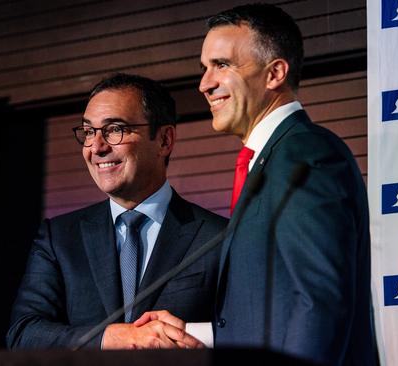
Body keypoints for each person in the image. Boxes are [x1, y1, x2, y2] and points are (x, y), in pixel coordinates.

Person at [138, 4, 375, 365]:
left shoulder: (306, 155)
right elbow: (277, 309)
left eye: (222, 65)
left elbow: (318, 302)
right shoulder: (272, 158)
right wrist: (194, 332)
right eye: (204, 68)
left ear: (275, 73)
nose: (205, 84)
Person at [6, 73, 227, 350]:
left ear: (164, 140)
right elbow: (24, 334)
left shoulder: (218, 237)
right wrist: (112, 338)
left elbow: (245, 329)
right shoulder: (59, 237)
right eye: (89, 132)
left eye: (115, 129)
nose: (96, 147)